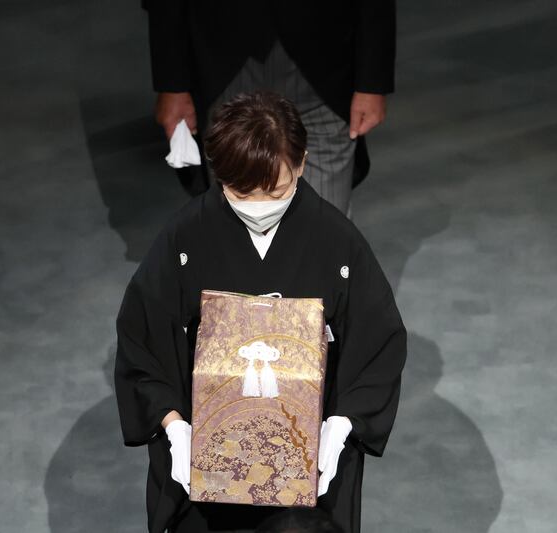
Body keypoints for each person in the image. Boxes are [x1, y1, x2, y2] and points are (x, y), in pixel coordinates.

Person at [114, 92, 407, 533]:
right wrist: (174, 427)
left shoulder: (336, 241)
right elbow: (142, 341)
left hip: (304, 466)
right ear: (219, 175)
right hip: (206, 458)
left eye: (276, 191)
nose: (258, 206)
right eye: (240, 192)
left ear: (303, 163)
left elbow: (377, 344)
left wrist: (342, 424)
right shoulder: (184, 238)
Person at [142, 0, 396, 213]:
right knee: (235, 238)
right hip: (221, 56)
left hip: (326, 60)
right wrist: (172, 84)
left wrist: (372, 81)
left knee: (324, 240)